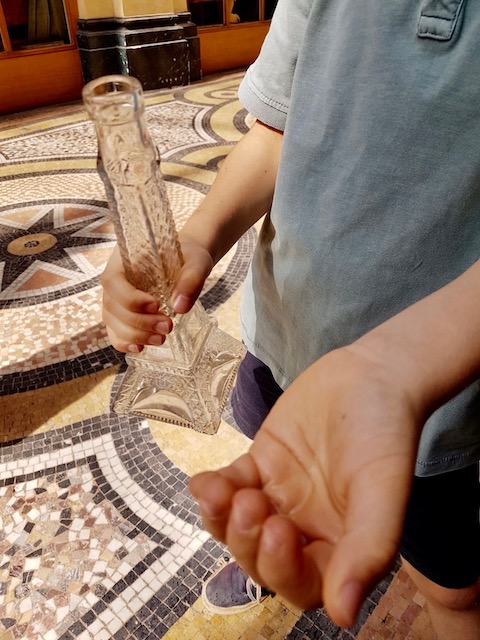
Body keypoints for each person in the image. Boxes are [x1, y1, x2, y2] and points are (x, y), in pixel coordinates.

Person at [101, 1, 480, 637]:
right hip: (284, 330)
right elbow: (275, 132)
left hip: (435, 395)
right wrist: (198, 237)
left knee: (450, 583)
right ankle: (275, 553)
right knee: (276, 479)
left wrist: (400, 368)